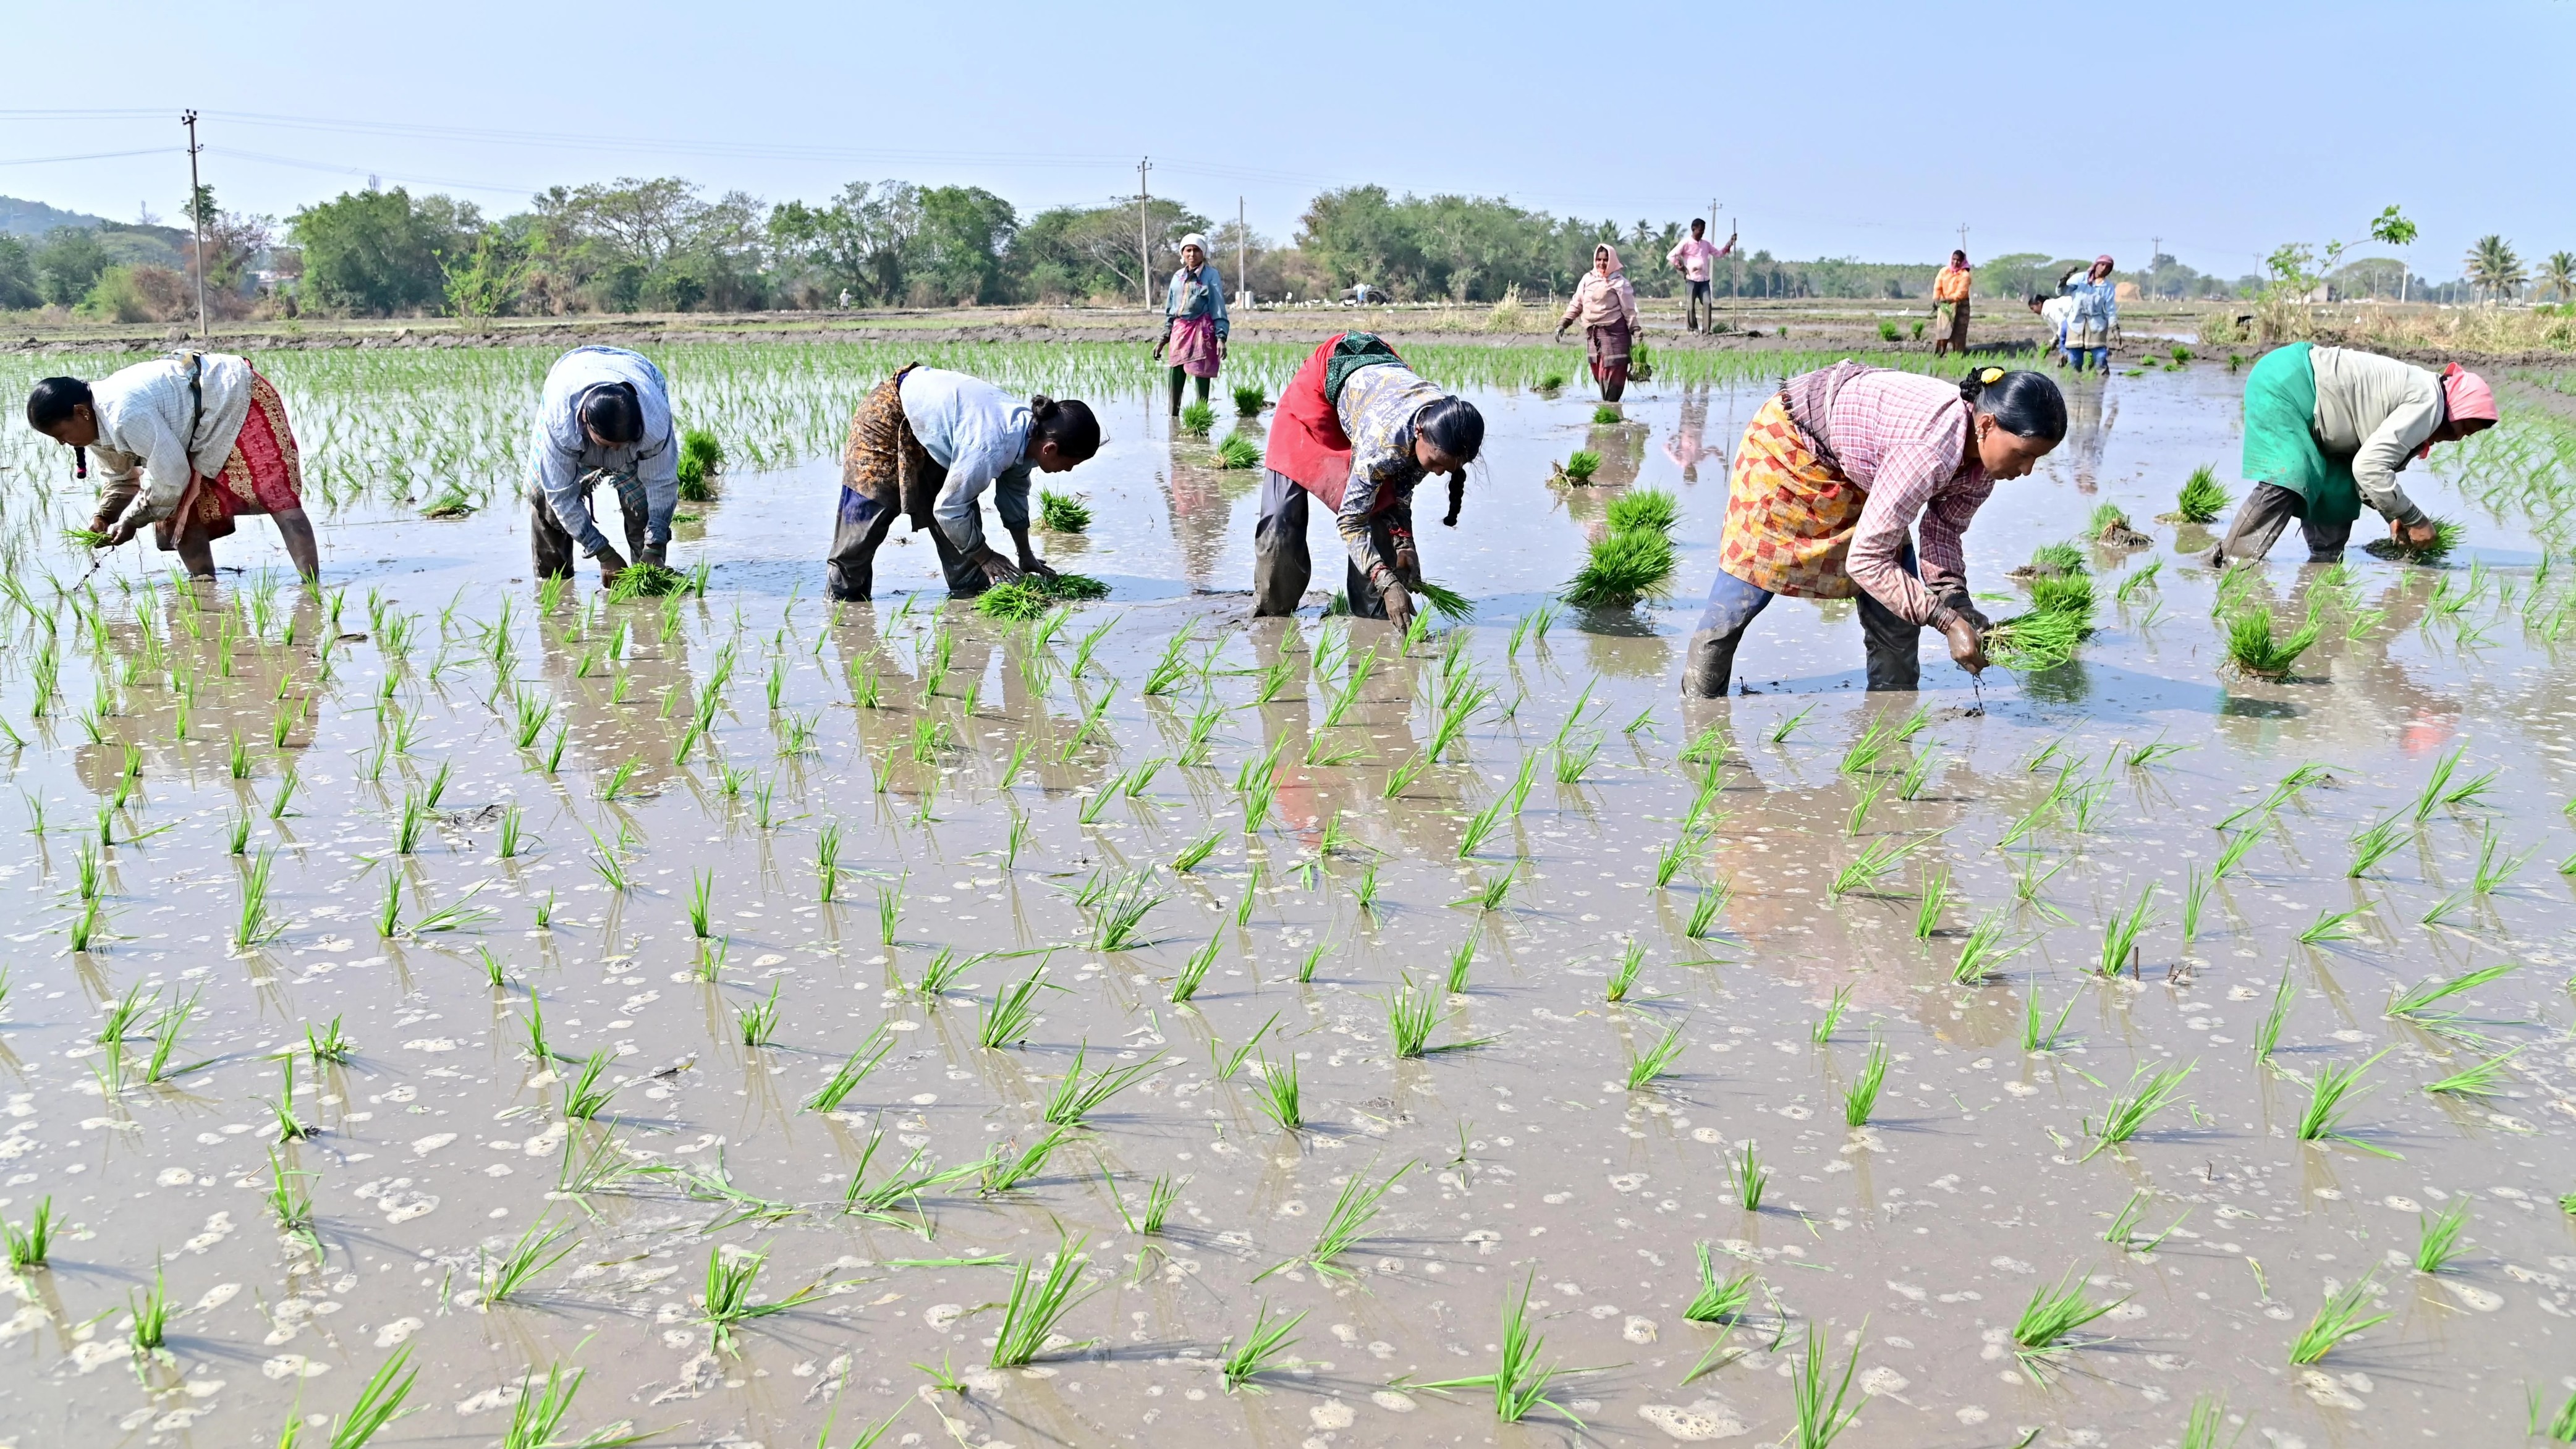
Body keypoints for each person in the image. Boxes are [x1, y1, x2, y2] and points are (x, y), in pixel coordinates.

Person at [1680, 363, 2067, 696]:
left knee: (1896, 617)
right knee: (1746, 586)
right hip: (1792, 448)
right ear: (1987, 424)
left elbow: (1944, 529)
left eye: (2038, 459)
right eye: (2023, 455)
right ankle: (1699, 705)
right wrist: (1947, 623)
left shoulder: (1981, 464)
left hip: (1865, 469)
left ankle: (1890, 722)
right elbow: (1866, 560)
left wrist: (1957, 602)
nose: (2027, 470)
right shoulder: (1927, 451)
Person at [1253, 332, 1484, 631]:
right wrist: (1387, 583)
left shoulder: (1445, 427)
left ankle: (1371, 623)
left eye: (1448, 468)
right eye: (1436, 464)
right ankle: (1274, 620)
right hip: (1318, 393)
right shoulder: (1385, 443)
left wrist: (1405, 545)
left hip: (1371, 398)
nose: (1439, 472)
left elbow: (1399, 493)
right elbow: (1350, 521)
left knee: (1381, 507)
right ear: (1419, 432)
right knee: (1282, 518)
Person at [25, 352, 320, 582]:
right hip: (190, 423)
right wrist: (104, 516)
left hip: (232, 398)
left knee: (275, 497)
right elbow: (121, 479)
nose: (63, 444)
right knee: (178, 513)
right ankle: (204, 587)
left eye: (61, 435)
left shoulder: (123, 415)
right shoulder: (95, 426)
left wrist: (132, 521)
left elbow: (172, 477)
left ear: (80, 412)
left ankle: (312, 590)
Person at [829, 366, 1099, 600]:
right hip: (890, 412)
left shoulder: (1029, 440)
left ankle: (966, 606)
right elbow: (949, 510)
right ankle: (844, 609)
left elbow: (1013, 499)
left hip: (941, 428)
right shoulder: (990, 446)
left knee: (966, 553)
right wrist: (987, 556)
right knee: (865, 522)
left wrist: (1025, 555)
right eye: (1071, 463)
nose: (1068, 470)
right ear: (1050, 449)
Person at [2210, 345, 2496, 565]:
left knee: (2339, 491)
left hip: (2327, 424)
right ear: (2455, 410)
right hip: (2289, 382)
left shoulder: (2427, 399)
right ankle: (2228, 561)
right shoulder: (2429, 402)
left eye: (2466, 435)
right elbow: (2370, 468)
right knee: (2291, 475)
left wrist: (2392, 515)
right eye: (2463, 428)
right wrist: (2416, 520)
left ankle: (2322, 567)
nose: (2458, 438)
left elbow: (2364, 473)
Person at [526, 345, 679, 586]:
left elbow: (662, 484)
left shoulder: (655, 422)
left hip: (637, 370)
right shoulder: (561, 423)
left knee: (645, 506)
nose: (616, 451)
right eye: (608, 444)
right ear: (585, 422)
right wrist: (603, 552)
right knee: (543, 496)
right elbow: (561, 496)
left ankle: (649, 575)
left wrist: (656, 545)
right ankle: (553, 581)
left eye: (624, 444)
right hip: (572, 370)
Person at [1153, 233, 1229, 418]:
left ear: (1203, 253)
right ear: (1183, 253)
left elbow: (1218, 307)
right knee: (1176, 371)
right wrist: (1164, 338)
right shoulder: (1177, 277)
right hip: (1180, 329)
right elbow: (1171, 309)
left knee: (1201, 374)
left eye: (1196, 250)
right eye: (1188, 250)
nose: (1192, 254)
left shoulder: (1211, 275)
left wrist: (1221, 337)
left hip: (1203, 330)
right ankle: (1173, 416)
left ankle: (1200, 416)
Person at [1557, 243, 1642, 402]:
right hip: (1593, 334)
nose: (1601, 264)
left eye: (1605, 260)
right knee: (1598, 372)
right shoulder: (1588, 279)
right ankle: (1609, 408)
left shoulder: (1620, 283)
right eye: (1599, 260)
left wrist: (1635, 329)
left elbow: (1629, 310)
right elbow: (1577, 303)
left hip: (1615, 334)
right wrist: (1564, 322)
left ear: (1612, 261)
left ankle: (1610, 407)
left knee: (1612, 372)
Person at [1667, 219, 1737, 333]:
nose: (1702, 233)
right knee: (1690, 306)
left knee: (1707, 303)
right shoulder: (1686, 243)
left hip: (1704, 280)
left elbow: (1719, 254)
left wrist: (1729, 243)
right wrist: (1679, 266)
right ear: (1694, 229)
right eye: (1700, 230)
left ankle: (1706, 331)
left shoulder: (1706, 244)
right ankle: (1693, 330)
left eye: (1704, 230)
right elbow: (1671, 256)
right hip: (1691, 280)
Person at [2067, 256, 2118, 372]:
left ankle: (2101, 384)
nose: (2104, 268)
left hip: (2097, 325)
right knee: (2075, 360)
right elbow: (2063, 291)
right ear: (2096, 265)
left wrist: (2115, 329)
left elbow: (2110, 309)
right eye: (2102, 265)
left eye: (2108, 267)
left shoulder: (2108, 287)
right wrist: (2065, 277)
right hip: (2076, 322)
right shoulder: (2080, 279)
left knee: (2100, 357)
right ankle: (2075, 386)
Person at [1932, 251, 1973, 357]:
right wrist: (1936, 299)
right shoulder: (1944, 271)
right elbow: (1938, 286)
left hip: (1960, 305)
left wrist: (1946, 300)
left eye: (1959, 260)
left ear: (1962, 261)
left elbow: (1960, 293)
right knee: (1943, 329)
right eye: (1954, 259)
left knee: (1959, 331)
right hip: (1945, 305)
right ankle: (1940, 353)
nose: (1956, 262)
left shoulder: (1965, 275)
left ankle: (1958, 355)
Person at [2028, 290, 2077, 366]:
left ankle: (2067, 359)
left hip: (2075, 314)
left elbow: (2062, 323)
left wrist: (2056, 340)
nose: (2033, 312)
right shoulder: (2046, 312)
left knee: (2065, 343)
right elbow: (2056, 331)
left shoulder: (2050, 308)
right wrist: (2052, 342)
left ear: (2039, 303)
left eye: (2033, 308)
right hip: (2070, 321)